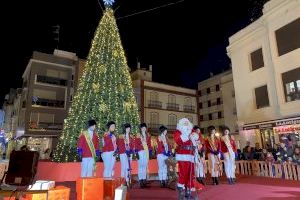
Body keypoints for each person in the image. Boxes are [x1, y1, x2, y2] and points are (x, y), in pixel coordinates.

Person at [174, 118, 198, 199]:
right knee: (183, 173)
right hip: (183, 155)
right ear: (181, 125)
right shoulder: (178, 132)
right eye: (184, 124)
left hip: (191, 154)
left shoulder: (191, 132)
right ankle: (181, 191)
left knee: (191, 174)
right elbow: (179, 140)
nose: (186, 125)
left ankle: (188, 192)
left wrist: (195, 138)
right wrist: (188, 134)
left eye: (187, 123)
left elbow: (197, 140)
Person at [134, 123, 153, 188]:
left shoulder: (148, 135)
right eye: (142, 127)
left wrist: (150, 151)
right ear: (140, 128)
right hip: (140, 151)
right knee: (140, 166)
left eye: (145, 127)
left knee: (145, 166)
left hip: (146, 151)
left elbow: (149, 144)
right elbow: (136, 143)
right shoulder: (138, 135)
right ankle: (141, 180)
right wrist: (136, 152)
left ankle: (144, 180)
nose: (144, 128)